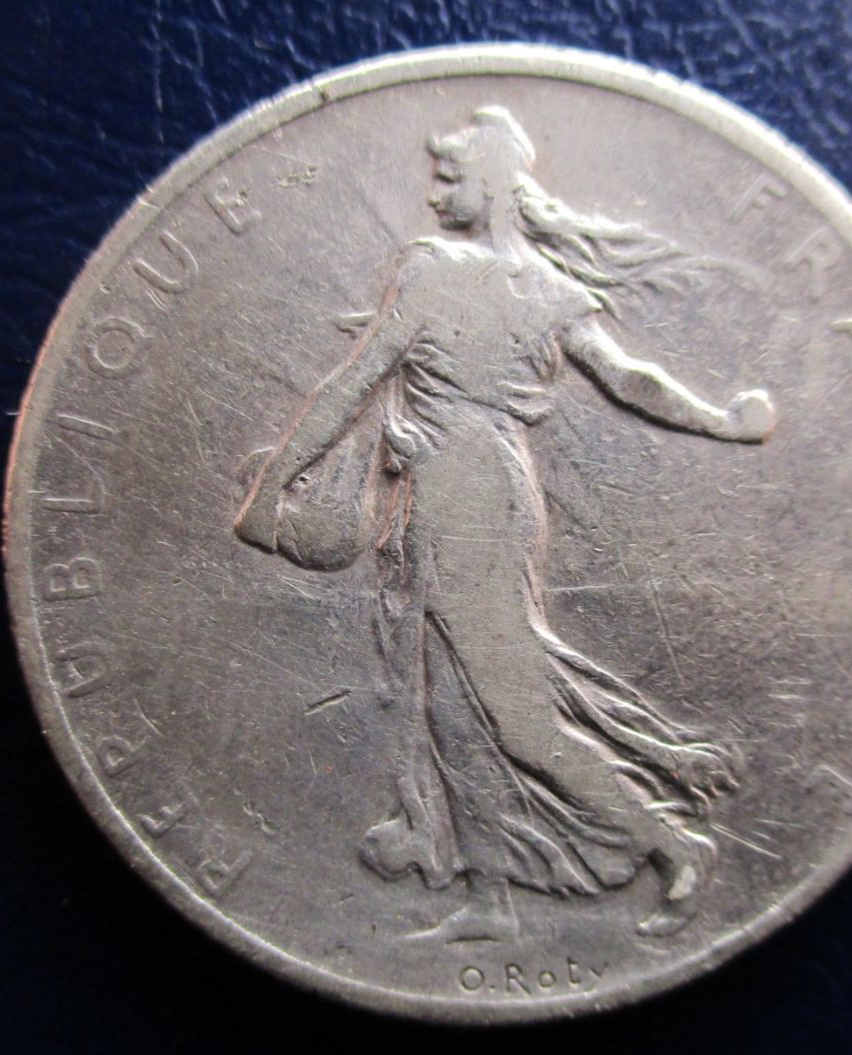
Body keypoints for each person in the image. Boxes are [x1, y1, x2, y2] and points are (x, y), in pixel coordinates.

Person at [235, 107, 773, 940]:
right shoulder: (544, 290)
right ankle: (491, 899)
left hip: (465, 494)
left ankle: (675, 846)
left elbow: (352, 382)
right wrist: (724, 421)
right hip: (462, 485)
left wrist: (273, 486)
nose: (436, 193)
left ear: (487, 182)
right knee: (453, 711)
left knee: (516, 716)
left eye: (450, 176)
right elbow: (631, 378)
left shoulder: (436, 272)